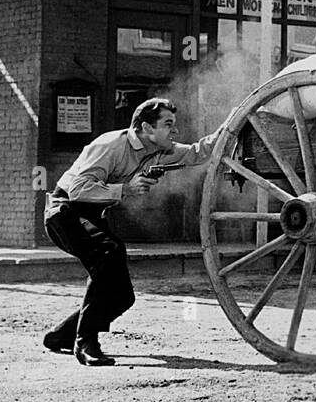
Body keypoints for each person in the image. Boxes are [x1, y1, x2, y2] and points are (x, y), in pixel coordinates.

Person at [43, 97, 224, 366]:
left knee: (123, 298)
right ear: (146, 128)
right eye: (168, 124)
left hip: (91, 215)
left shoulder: (160, 149)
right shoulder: (110, 144)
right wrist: (125, 189)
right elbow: (78, 189)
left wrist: (233, 122)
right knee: (108, 253)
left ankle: (61, 336)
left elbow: (199, 152)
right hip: (65, 211)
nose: (174, 131)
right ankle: (85, 343)